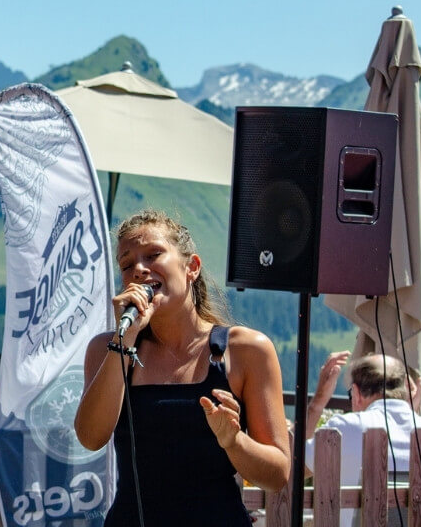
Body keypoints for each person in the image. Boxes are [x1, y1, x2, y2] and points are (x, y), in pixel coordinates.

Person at [74, 209, 290, 526]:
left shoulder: (246, 349)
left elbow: (276, 476)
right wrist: (127, 335)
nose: (139, 269)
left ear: (192, 267)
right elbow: (91, 437)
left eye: (153, 255)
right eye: (127, 264)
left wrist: (234, 442)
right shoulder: (108, 348)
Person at [304, 353, 421, 527]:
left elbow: (295, 469)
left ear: (357, 393)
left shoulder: (341, 430)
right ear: (406, 388)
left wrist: (317, 404)